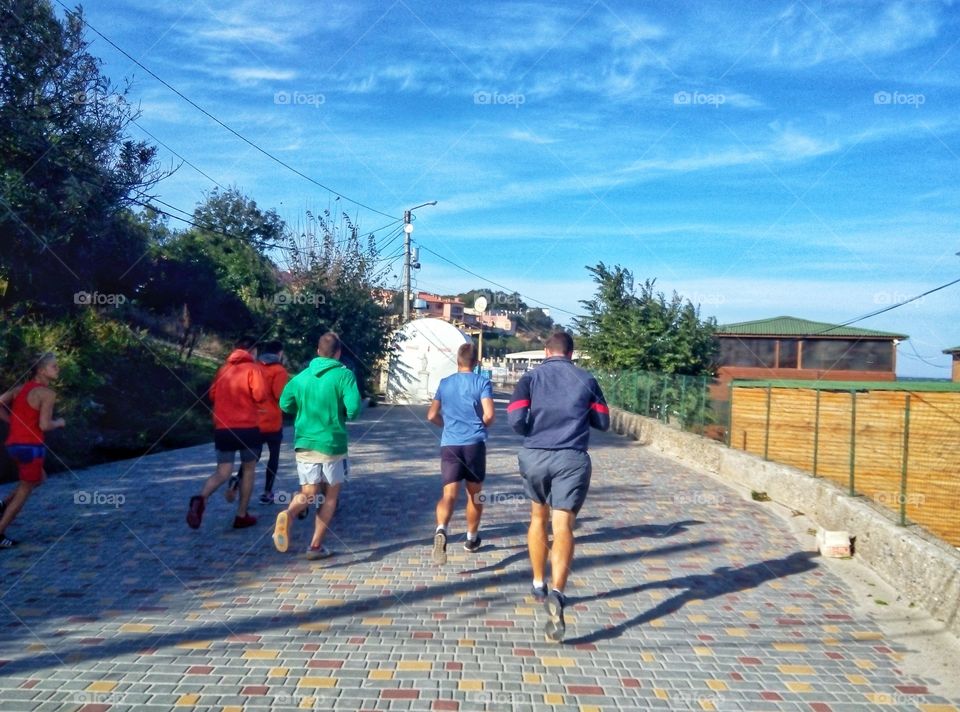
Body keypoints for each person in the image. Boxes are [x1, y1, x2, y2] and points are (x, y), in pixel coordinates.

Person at [507, 332, 609, 643]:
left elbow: (514, 418)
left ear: (546, 351)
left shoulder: (530, 378)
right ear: (571, 353)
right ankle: (558, 592)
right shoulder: (586, 378)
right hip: (572, 458)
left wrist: (531, 432)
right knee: (563, 525)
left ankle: (538, 582)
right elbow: (603, 421)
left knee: (538, 518)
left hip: (536, 455)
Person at [272, 332, 362, 560]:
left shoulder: (301, 377)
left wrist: (302, 413)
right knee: (330, 496)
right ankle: (315, 546)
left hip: (304, 442)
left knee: (309, 492)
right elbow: (353, 410)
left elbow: (284, 403)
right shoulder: (344, 376)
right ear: (338, 353)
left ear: (318, 351)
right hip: (332, 444)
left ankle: (289, 514)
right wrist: (338, 413)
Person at [186, 337, 267, 530]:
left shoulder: (223, 370)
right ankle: (241, 515)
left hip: (223, 429)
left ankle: (201, 498)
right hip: (247, 428)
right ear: (253, 351)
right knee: (248, 470)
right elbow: (260, 395)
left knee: (222, 472)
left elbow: (212, 395)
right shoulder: (253, 369)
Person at [426, 342, 494, 565]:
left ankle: (441, 529)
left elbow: (431, 415)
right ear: (475, 363)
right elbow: (490, 415)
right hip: (474, 444)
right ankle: (472, 539)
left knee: (449, 495)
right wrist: (481, 426)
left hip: (450, 445)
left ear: (458, 360)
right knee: (475, 495)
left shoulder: (445, 383)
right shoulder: (482, 382)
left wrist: (446, 426)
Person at [0, 353, 67, 549]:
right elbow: (44, 425)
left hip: (13, 445)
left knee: (40, 478)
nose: (57, 369)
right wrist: (59, 422)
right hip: (30, 447)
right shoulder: (47, 394)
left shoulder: (19, 390)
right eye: (54, 366)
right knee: (25, 490)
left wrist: (12, 421)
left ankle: (3, 504)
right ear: (41, 370)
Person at [227, 340, 289, 505]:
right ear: (279, 353)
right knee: (273, 456)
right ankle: (267, 492)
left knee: (252, 456)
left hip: (254, 420)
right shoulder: (279, 371)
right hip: (273, 420)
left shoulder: (254, 368)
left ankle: (237, 479)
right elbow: (279, 395)